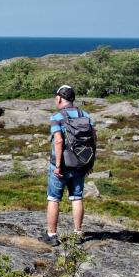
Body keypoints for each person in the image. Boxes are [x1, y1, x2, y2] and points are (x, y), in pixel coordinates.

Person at [38, 85, 95, 246]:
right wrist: (89, 162)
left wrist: (57, 166)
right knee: (77, 198)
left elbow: (58, 140)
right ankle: (78, 233)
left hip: (62, 165)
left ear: (59, 98)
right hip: (80, 165)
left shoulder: (57, 117)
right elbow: (94, 139)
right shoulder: (86, 115)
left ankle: (52, 235)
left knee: (53, 199)